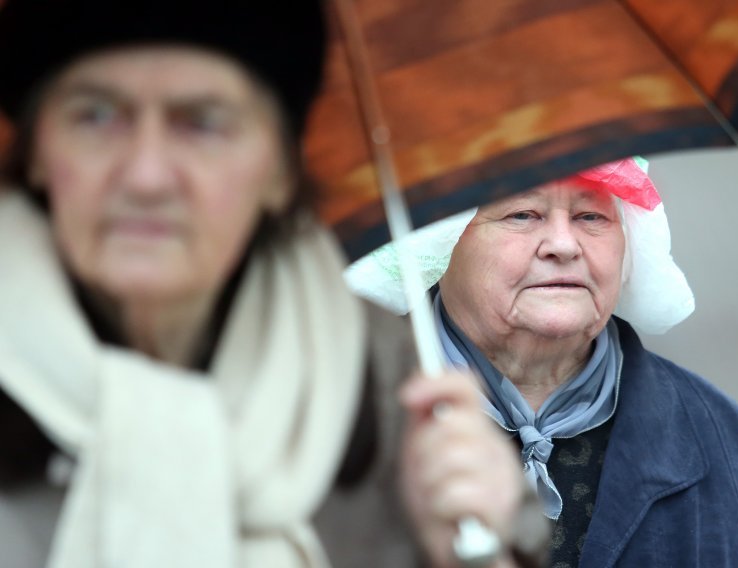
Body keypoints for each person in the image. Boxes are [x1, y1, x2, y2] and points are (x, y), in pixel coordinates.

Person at [0, 1, 529, 566]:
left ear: (281, 171)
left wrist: (471, 552)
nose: (146, 175)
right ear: (35, 152)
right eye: (96, 116)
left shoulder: (386, 377)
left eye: (202, 122)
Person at [347, 158, 738, 566]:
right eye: (523, 214)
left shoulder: (727, 446)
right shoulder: (342, 430)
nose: (563, 245)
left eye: (591, 217)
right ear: (441, 243)